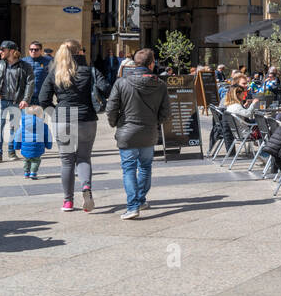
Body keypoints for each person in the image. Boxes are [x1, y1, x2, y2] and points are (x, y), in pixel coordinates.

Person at [39, 38, 106, 212]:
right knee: (84, 158)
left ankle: (68, 201)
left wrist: (56, 114)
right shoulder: (90, 71)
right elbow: (106, 88)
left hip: (63, 119)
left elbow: (43, 99)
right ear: (80, 52)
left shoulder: (55, 72)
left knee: (67, 161)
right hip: (86, 118)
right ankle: (86, 187)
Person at [105, 48, 169, 219]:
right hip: (149, 132)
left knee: (129, 169)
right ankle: (140, 200)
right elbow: (166, 113)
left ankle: (133, 205)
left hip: (127, 131)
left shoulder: (122, 82)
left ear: (134, 63)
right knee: (145, 167)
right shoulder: (161, 85)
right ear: (152, 63)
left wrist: (115, 123)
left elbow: (111, 108)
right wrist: (155, 122)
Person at [0, 41, 33, 162]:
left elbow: (30, 83)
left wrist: (25, 99)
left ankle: (11, 152)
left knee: (14, 127)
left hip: (16, 101)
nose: (0, 52)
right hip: (0, 101)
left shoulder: (25, 66)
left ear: (12, 51)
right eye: (0, 49)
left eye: (3, 49)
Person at [14, 104, 52, 179]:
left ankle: (26, 172)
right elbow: (48, 136)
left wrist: (16, 146)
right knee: (36, 160)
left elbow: (18, 136)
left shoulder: (23, 125)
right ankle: (33, 172)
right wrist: (48, 145)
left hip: (25, 147)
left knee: (26, 160)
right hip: (38, 147)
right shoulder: (44, 125)